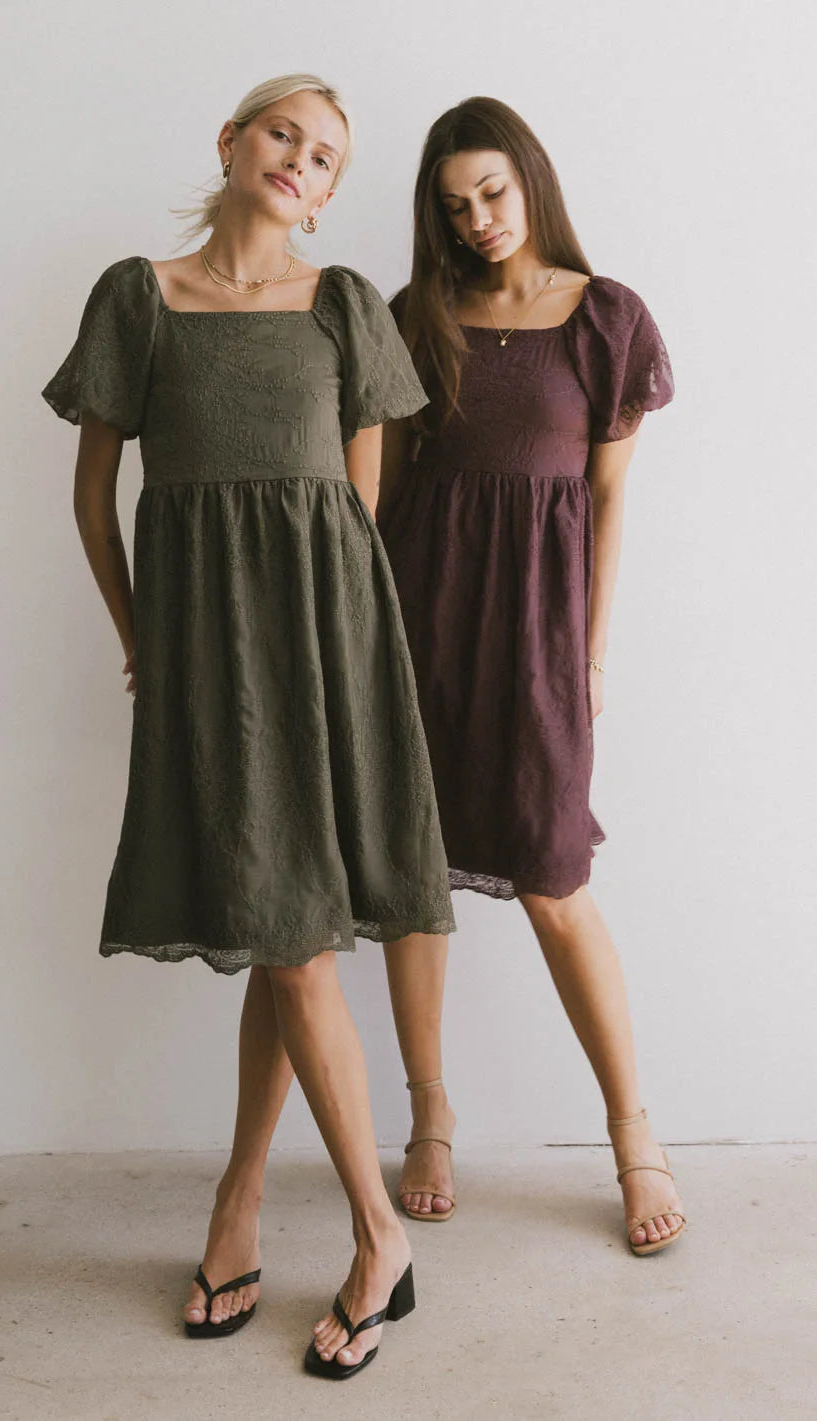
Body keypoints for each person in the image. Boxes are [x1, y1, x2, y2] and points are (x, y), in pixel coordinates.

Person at [41, 74, 454, 1376]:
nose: (300, 160)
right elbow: (94, 495)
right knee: (289, 934)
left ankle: (368, 1236)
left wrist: (339, 650)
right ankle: (255, 1207)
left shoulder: (342, 305)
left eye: (326, 157)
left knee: (295, 939)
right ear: (230, 142)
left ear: (327, 197)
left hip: (330, 654)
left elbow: (355, 507)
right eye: (285, 133)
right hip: (208, 660)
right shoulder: (138, 298)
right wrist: (144, 639)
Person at [377, 97, 685, 1256]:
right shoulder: (414, 319)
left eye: (494, 193)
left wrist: (591, 651)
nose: (479, 220)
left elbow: (606, 496)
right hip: (417, 622)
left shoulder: (607, 318)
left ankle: (633, 1131)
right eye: (456, 206)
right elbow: (381, 489)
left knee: (556, 878)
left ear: (532, 182)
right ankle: (430, 1116)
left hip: (541, 631)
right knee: (414, 876)